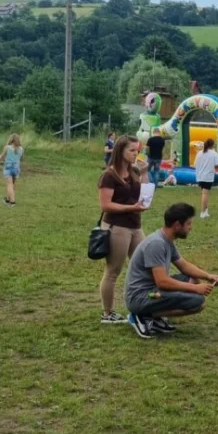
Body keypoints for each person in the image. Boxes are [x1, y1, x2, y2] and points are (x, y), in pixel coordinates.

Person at [123, 203, 218, 338]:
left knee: (192, 279)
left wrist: (208, 276)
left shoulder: (166, 240)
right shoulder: (156, 244)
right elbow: (162, 282)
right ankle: (143, 316)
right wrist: (195, 289)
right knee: (198, 302)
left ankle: (153, 316)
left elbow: (183, 265)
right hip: (141, 296)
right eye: (188, 224)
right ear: (177, 225)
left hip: (152, 290)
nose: (191, 228)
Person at [97, 135, 147, 325]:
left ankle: (143, 306)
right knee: (113, 271)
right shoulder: (109, 176)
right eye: (132, 150)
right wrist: (130, 208)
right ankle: (107, 313)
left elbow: (143, 193)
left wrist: (144, 173)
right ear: (121, 151)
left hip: (135, 225)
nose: (136, 154)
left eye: (137, 150)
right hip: (117, 226)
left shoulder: (134, 171)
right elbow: (105, 205)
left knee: (145, 265)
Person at [195, 139, 218, 219]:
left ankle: (205, 211)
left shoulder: (199, 153)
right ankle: (202, 212)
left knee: (204, 194)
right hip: (208, 176)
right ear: (212, 145)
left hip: (200, 176)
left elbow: (195, 164)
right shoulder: (214, 154)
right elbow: (217, 166)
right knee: (205, 194)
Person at [0, 133, 23, 207]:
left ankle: (12, 202)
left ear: (11, 139)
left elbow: (1, 157)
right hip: (16, 169)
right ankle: (7, 200)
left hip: (8, 168)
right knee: (12, 185)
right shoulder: (21, 149)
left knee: (9, 185)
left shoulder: (7, 147)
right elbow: (21, 159)